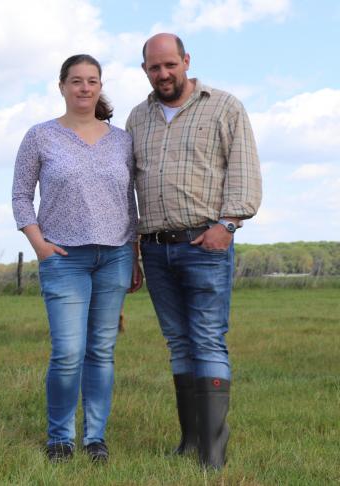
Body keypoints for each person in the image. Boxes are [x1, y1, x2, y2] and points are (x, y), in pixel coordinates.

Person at [126, 33, 262, 469]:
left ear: (186, 61)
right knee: (178, 342)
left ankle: (213, 454)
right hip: (155, 247)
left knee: (206, 338)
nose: (163, 74)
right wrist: (133, 250)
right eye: (154, 67)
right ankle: (190, 441)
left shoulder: (224, 107)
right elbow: (126, 188)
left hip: (205, 242)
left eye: (170, 65)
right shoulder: (137, 118)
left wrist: (227, 225)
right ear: (145, 69)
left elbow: (243, 173)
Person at [12, 54, 142, 463]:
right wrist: (39, 245)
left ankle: (95, 438)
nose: (84, 88)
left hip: (116, 255)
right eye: (76, 81)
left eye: (92, 81)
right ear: (62, 86)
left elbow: (130, 201)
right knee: (68, 352)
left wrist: (135, 254)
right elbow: (20, 195)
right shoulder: (41, 136)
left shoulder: (122, 140)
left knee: (101, 351)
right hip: (63, 257)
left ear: (100, 86)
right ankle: (60, 438)